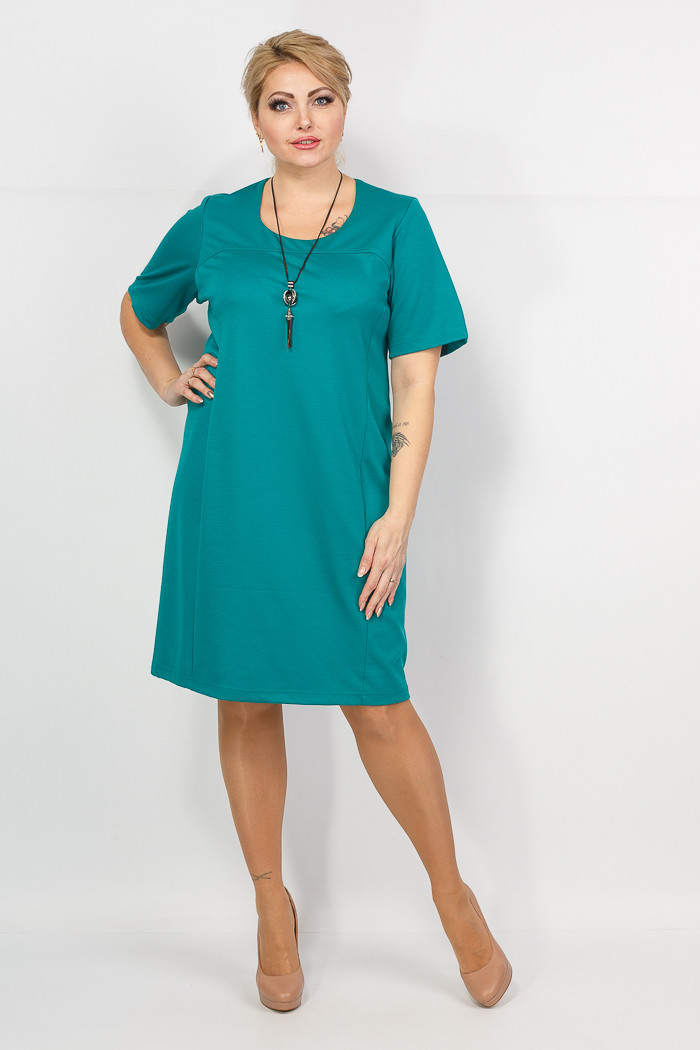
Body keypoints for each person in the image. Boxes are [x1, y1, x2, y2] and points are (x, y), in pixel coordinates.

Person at [119, 28, 512, 1012]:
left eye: (321, 99)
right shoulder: (215, 225)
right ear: (255, 120)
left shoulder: (396, 225)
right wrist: (168, 376)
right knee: (246, 697)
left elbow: (414, 383)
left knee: (376, 701)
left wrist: (398, 516)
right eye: (281, 103)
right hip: (232, 502)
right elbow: (139, 307)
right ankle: (270, 905)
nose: (303, 120)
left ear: (345, 107)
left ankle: (452, 896)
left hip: (347, 506)